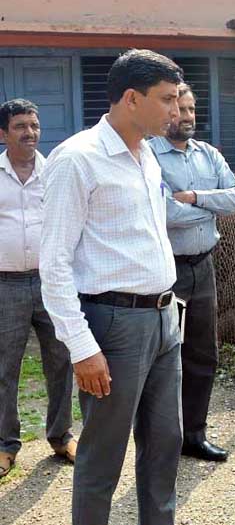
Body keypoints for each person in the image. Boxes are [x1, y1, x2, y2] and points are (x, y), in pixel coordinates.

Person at [40, 49, 184, 525]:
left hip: (165, 319)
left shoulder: (147, 158)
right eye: (165, 100)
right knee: (103, 456)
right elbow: (55, 263)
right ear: (130, 98)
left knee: (165, 445)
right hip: (114, 324)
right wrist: (82, 348)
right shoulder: (77, 159)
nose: (176, 110)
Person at [150, 83, 235, 462]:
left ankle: (194, 435)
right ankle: (161, 440)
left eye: (191, 109)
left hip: (202, 267)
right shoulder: (149, 156)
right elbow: (164, 214)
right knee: (164, 357)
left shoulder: (209, 155)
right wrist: (211, 207)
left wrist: (194, 198)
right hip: (166, 271)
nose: (187, 117)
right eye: (179, 109)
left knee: (203, 355)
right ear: (165, 112)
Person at [0, 99, 76, 478]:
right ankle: (4, 445)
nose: (29, 133)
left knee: (61, 361)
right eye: (19, 126)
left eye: (34, 125)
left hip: (53, 283)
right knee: (3, 366)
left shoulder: (55, 172)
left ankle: (61, 436)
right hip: (5, 284)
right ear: (3, 133)